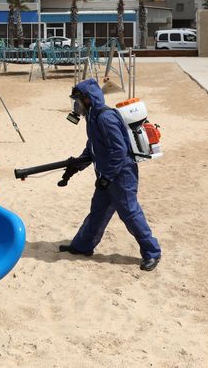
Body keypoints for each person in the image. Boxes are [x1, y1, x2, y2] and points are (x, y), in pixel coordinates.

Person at [59, 79, 162, 271]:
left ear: (88, 99)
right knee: (97, 211)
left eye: (78, 99)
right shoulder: (91, 116)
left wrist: (107, 176)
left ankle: (152, 253)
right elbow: (93, 147)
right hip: (106, 174)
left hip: (122, 174)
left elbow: (119, 150)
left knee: (130, 214)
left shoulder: (106, 118)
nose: (76, 104)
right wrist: (77, 165)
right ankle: (82, 246)